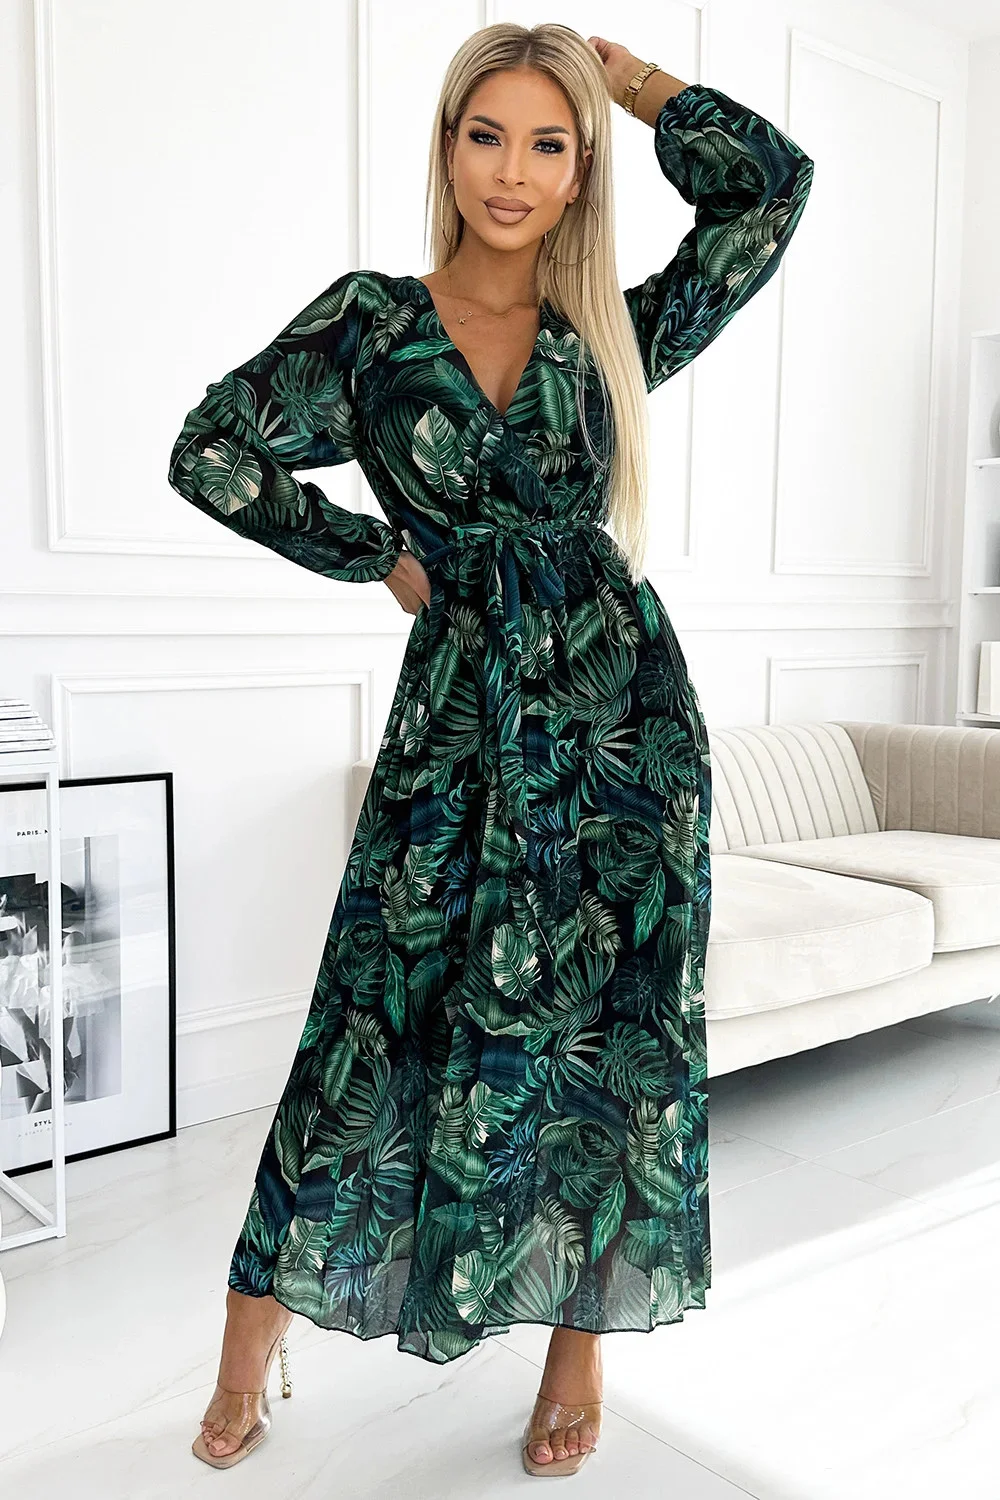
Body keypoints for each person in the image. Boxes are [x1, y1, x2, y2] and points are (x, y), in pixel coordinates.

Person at [167, 21, 813, 1479]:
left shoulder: (614, 336)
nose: (511, 172)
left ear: (582, 170)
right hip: (458, 725)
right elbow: (212, 448)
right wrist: (373, 552)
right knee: (371, 1019)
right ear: (447, 148)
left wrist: (633, 84)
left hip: (622, 729)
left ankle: (578, 1349)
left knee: (611, 1037)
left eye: (547, 142)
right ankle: (253, 1337)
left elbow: (771, 189)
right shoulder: (372, 327)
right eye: (486, 135)